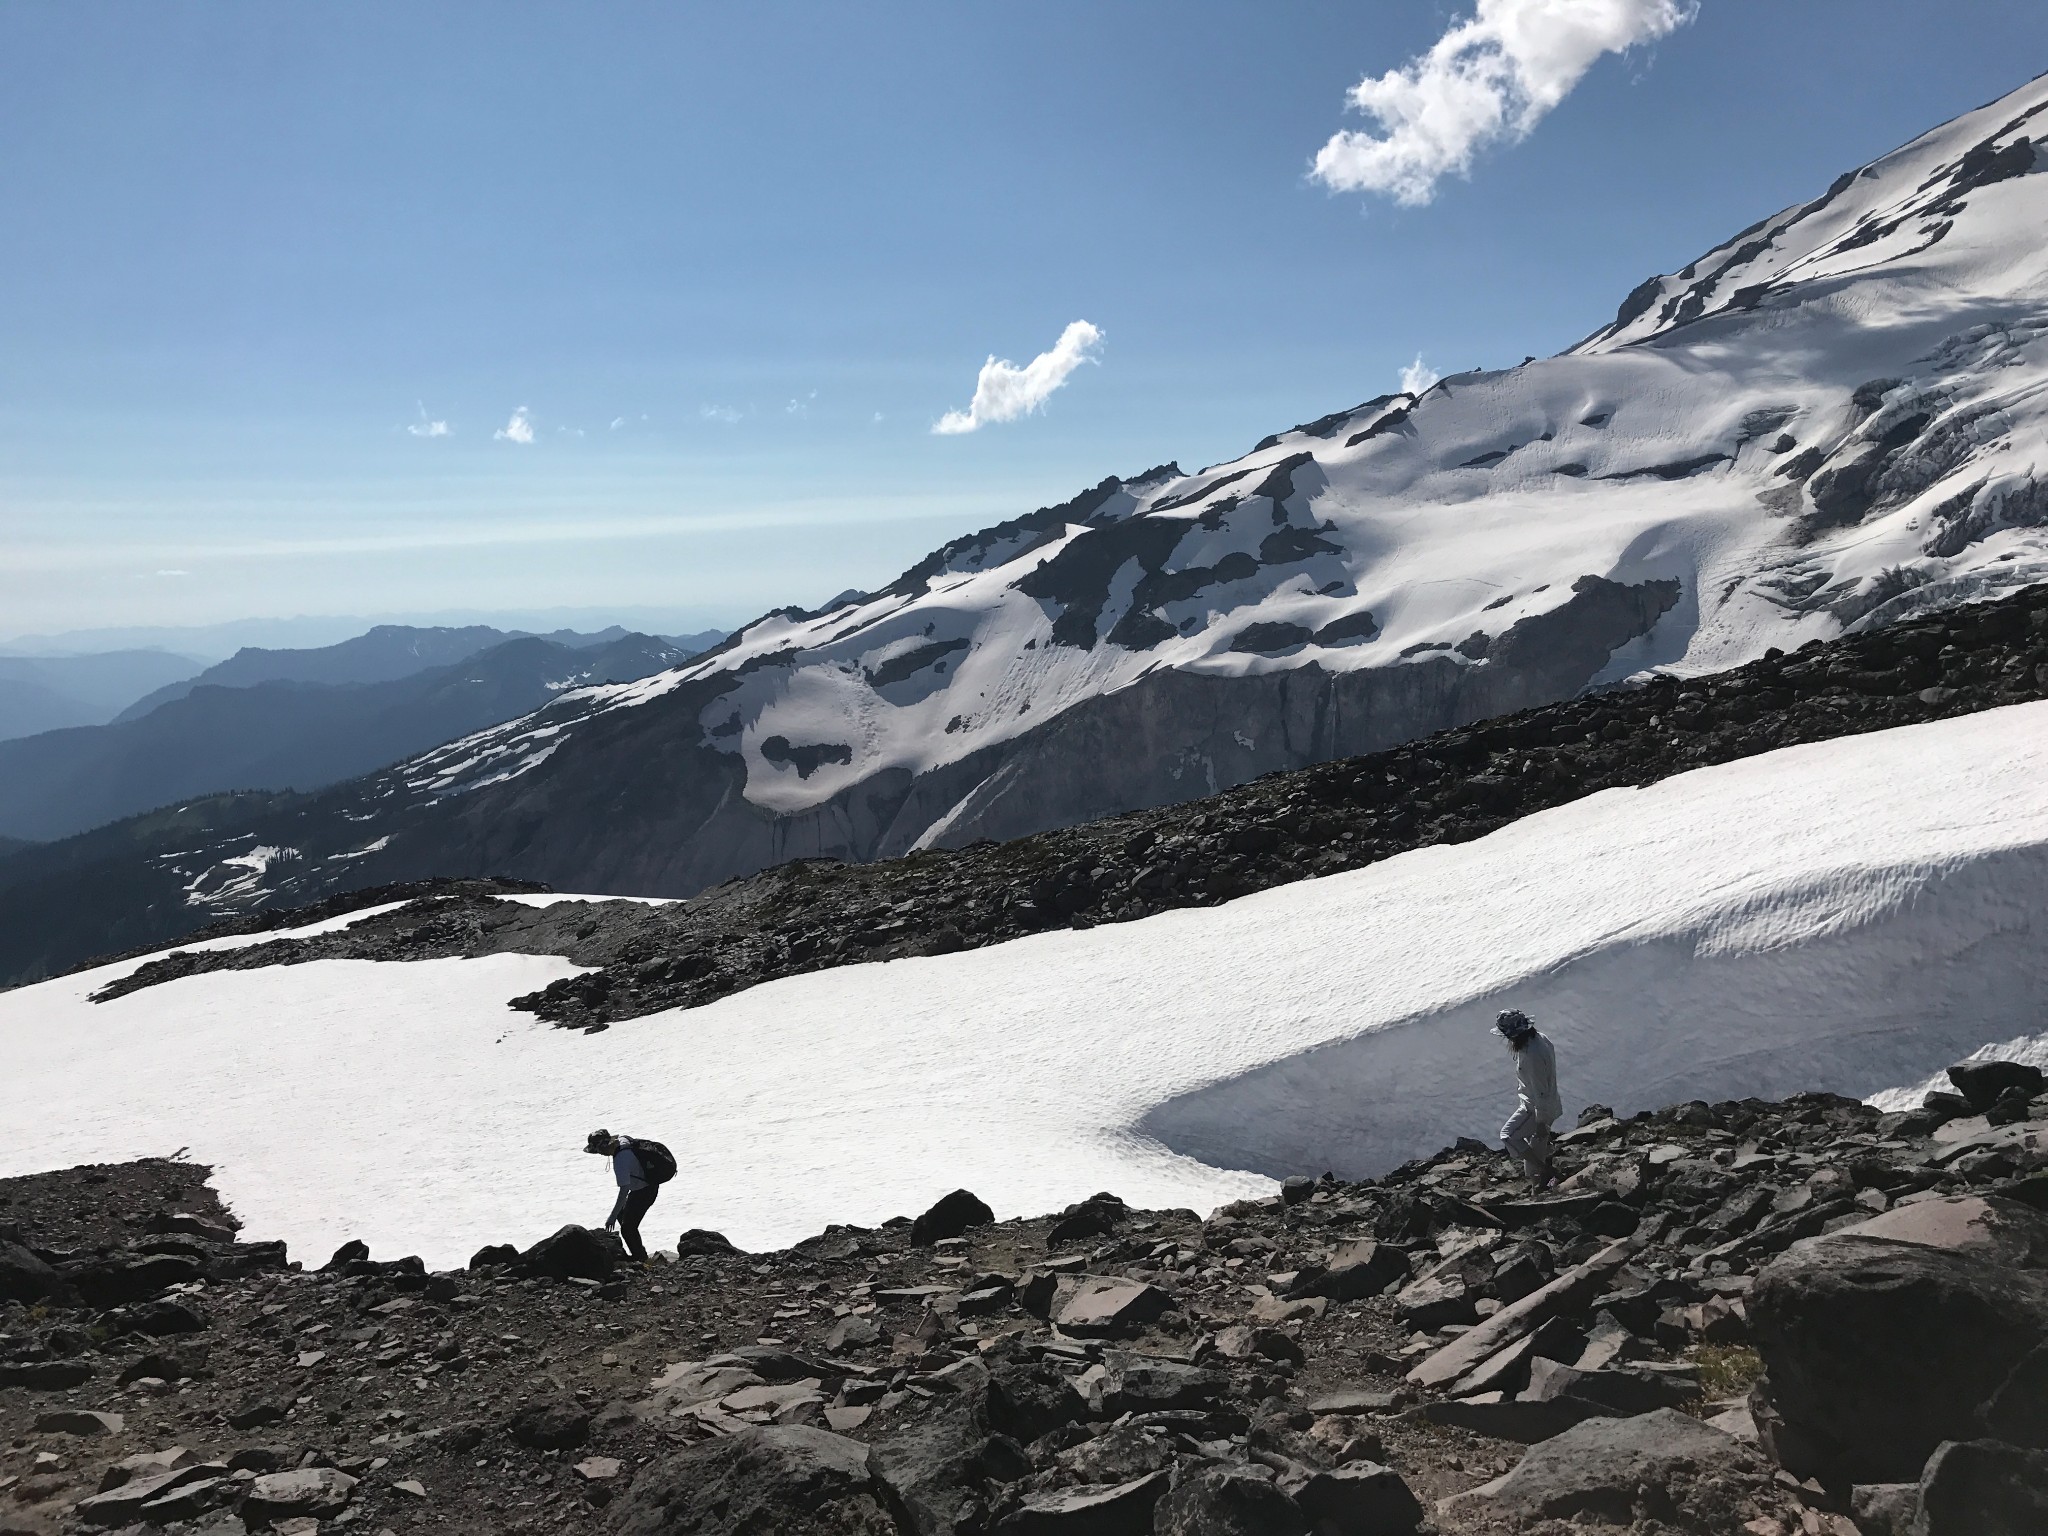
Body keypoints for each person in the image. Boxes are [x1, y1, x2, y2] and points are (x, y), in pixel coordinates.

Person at [1495, 1010, 1562, 1188]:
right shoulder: (1540, 1039)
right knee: (1536, 1152)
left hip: (1536, 1108)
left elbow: (1540, 1090)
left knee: (1508, 1136)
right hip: (1549, 1105)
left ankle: (1546, 1172)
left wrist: (1540, 1122)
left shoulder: (1532, 1054)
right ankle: (1540, 1188)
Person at [585, 1129, 658, 1263]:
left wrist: (611, 1217)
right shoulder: (624, 1141)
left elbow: (624, 1191)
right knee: (623, 1215)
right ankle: (638, 1252)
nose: (600, 1154)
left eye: (598, 1150)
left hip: (644, 1191)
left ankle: (640, 1258)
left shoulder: (620, 1161)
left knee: (627, 1228)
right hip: (645, 1186)